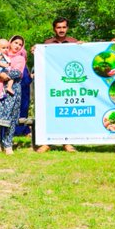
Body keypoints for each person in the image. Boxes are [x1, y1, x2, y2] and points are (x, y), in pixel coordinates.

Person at [34, 18, 80, 153]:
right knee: (50, 114)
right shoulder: (47, 44)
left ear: (67, 28)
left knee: (68, 114)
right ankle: (47, 142)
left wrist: (83, 48)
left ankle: (68, 143)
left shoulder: (74, 42)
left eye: (64, 27)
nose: (61, 30)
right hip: (52, 85)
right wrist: (36, 51)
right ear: (54, 29)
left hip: (70, 85)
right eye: (59, 27)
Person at [0, 36, 26, 154]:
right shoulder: (0, 55)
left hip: (12, 91)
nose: (17, 46)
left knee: (10, 117)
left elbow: (17, 73)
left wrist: (2, 75)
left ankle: (8, 144)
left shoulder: (20, 58)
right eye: (15, 43)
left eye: (20, 44)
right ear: (10, 43)